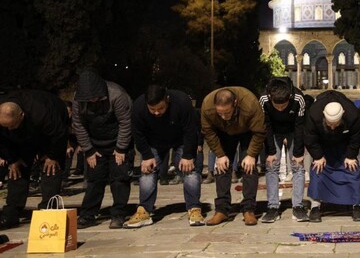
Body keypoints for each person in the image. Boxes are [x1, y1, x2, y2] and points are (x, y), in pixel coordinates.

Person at [123, 85, 203, 228]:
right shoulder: (139, 107)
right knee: (147, 171)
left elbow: (191, 130)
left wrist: (188, 155)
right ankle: (144, 210)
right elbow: (138, 133)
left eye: (160, 108)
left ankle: (194, 208)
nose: (156, 113)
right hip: (153, 142)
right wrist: (146, 155)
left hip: (180, 140)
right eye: (152, 109)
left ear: (167, 100)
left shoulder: (182, 101)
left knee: (189, 170)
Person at [72, 68, 133, 229]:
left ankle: (119, 214)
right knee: (94, 180)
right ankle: (88, 214)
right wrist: (89, 150)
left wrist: (121, 148)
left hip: (118, 142)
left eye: (96, 99)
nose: (93, 102)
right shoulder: (79, 99)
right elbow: (78, 125)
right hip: (95, 144)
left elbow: (125, 123)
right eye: (90, 100)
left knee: (119, 178)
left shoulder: (117, 95)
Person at [0, 90, 69, 230]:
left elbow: (59, 134)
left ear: (21, 115)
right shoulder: (5, 121)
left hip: (48, 136)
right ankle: (11, 213)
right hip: (19, 141)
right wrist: (12, 160)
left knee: (51, 168)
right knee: (17, 170)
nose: (10, 129)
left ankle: (47, 211)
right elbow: (1, 141)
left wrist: (52, 156)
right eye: (6, 127)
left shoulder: (42, 112)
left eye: (12, 125)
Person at [201, 87, 265, 226]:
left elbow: (259, 132)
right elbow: (208, 132)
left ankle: (248, 209)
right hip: (223, 132)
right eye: (220, 113)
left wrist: (251, 155)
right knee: (222, 167)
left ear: (235, 103)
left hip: (248, 131)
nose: (224, 116)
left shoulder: (250, 104)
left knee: (249, 167)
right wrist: (220, 154)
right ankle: (222, 210)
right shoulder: (207, 106)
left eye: (227, 112)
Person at [304, 90, 360, 222]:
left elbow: (356, 137)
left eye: (335, 124)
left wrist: (351, 155)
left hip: (345, 145)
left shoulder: (352, 114)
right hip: (323, 145)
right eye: (329, 124)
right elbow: (310, 137)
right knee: (318, 170)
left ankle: (356, 205)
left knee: (353, 169)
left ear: (342, 116)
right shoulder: (314, 113)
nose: (332, 127)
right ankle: (315, 206)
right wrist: (318, 156)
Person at [258, 78, 309, 223]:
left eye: (284, 106)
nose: (280, 109)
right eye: (277, 106)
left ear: (289, 98)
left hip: (293, 130)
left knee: (298, 167)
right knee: (271, 166)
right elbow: (265, 125)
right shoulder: (263, 99)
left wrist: (298, 152)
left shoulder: (298, 98)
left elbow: (300, 125)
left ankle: (298, 207)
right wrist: (271, 151)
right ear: (270, 98)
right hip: (273, 131)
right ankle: (273, 207)